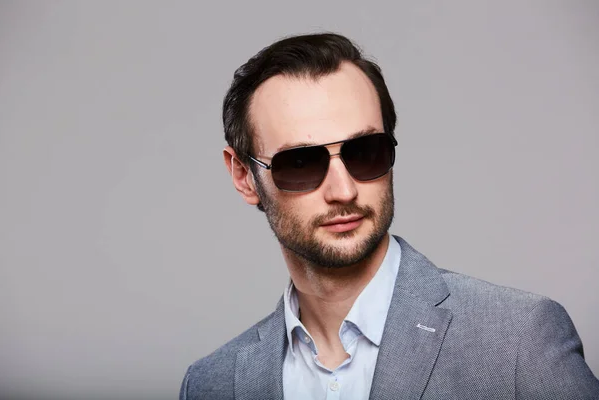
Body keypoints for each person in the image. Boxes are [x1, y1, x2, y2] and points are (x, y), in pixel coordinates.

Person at [179, 33, 599, 400]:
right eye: (301, 163)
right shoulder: (213, 383)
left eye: (365, 152)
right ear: (244, 176)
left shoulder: (517, 342)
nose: (343, 191)